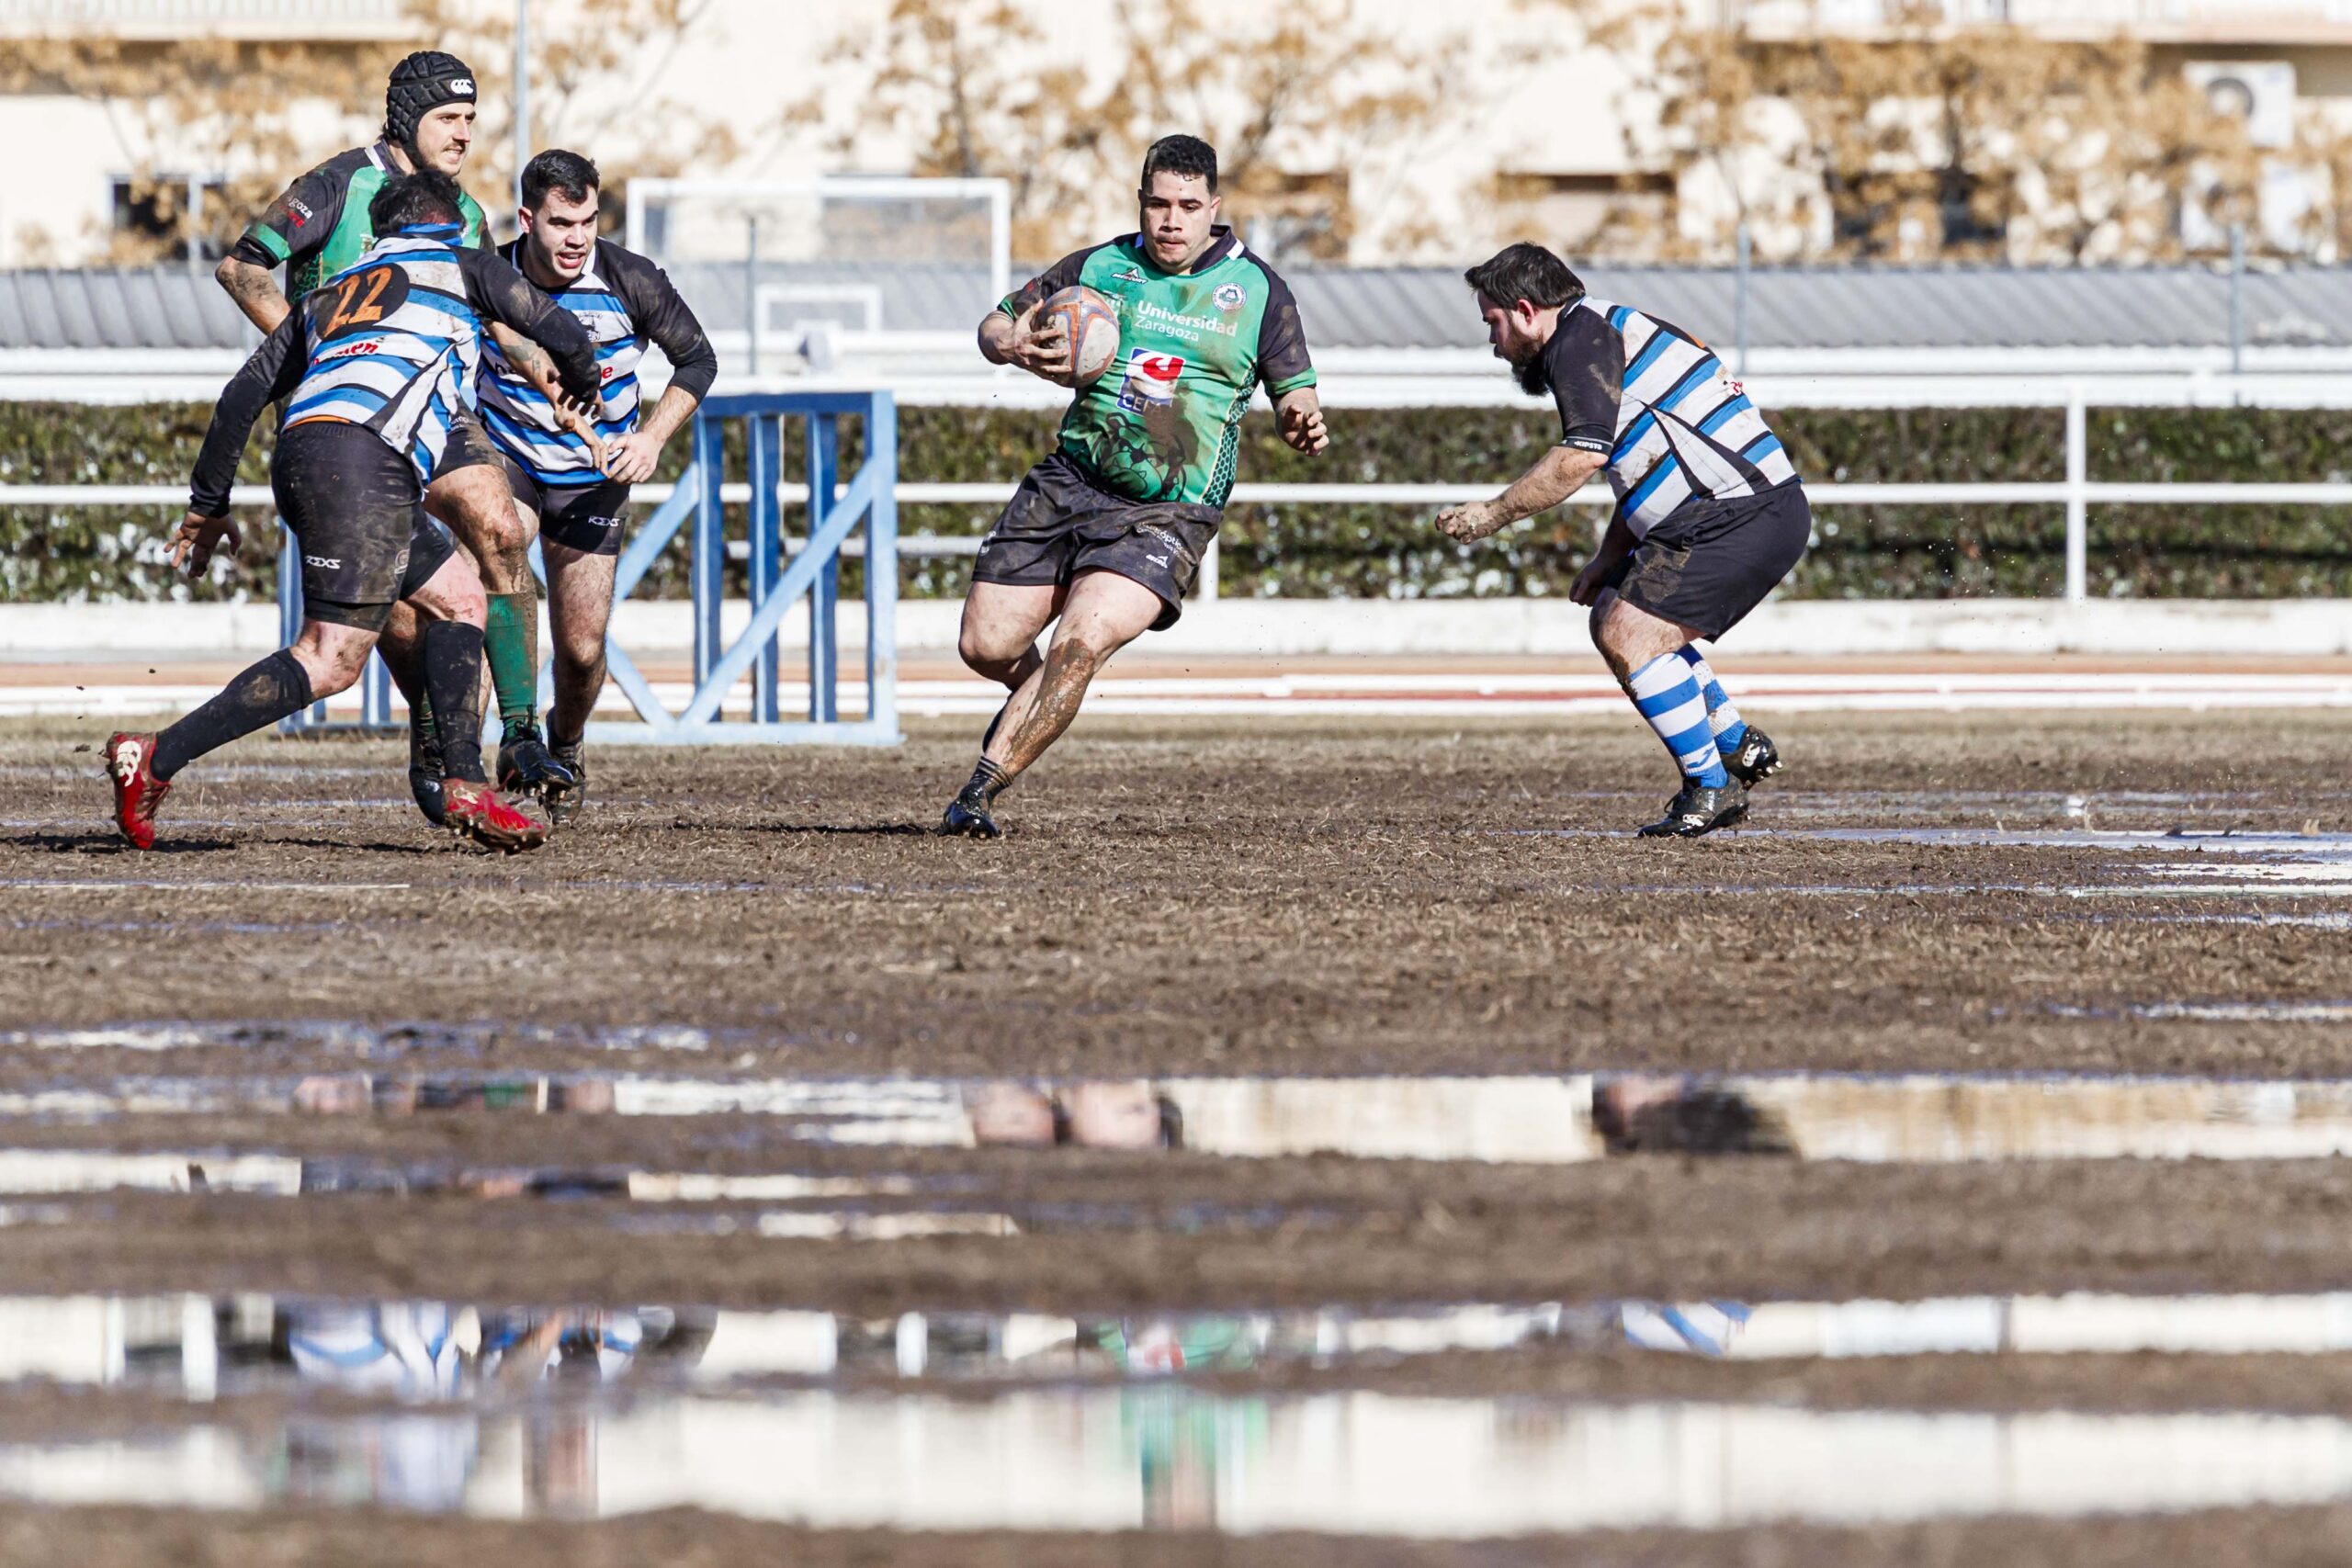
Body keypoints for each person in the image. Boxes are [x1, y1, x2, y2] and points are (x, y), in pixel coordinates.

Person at [103, 171, 603, 854]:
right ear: (446, 223)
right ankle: (153, 756)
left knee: (460, 596)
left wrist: (208, 504)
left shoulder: (331, 296)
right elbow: (564, 332)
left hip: (306, 453)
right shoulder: (460, 262)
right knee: (330, 659)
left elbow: (241, 395)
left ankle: (464, 782)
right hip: (364, 464)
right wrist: (581, 385)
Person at [214, 50, 582, 808]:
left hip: (438, 409)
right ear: (408, 116)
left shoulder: (465, 214)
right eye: (449, 118)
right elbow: (242, 268)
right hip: (349, 421)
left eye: (472, 120)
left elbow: (489, 310)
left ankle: (519, 736)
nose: (464, 134)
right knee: (407, 617)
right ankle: (439, 753)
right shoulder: (337, 185)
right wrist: (309, 350)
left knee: (502, 526)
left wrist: (537, 360)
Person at [941, 133, 1329, 837]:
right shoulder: (1100, 267)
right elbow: (995, 322)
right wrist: (1011, 342)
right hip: (1070, 479)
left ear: (1215, 207)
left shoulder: (1260, 293)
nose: (1171, 221)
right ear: (1141, 203)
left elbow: (1296, 392)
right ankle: (1046, 700)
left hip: (1168, 509)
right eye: (1157, 204)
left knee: (1081, 642)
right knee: (985, 645)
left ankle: (978, 791)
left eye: (1187, 206)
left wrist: (1302, 420)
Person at [1435, 243, 1808, 837]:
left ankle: (1711, 787)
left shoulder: (1579, 342)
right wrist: (1610, 558)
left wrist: (1491, 513)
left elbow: (1580, 458)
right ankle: (1735, 743)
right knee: (1618, 614)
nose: (1493, 340)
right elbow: (1638, 464)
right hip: (1735, 509)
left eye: (1493, 322)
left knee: (1627, 631)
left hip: (1737, 510)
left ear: (1527, 310)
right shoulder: (1604, 327)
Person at [473, 149, 718, 819]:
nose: (577, 237)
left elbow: (698, 360)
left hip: (594, 477)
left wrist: (650, 439)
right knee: (496, 561)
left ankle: (566, 745)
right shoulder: (489, 274)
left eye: (587, 220)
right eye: (560, 223)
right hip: (510, 460)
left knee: (581, 651)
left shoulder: (630, 279)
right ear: (527, 220)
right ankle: (481, 756)